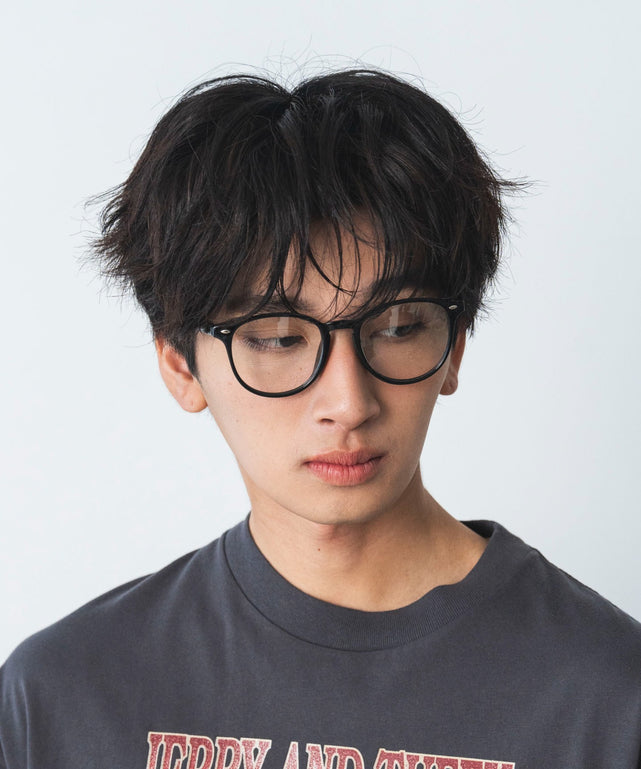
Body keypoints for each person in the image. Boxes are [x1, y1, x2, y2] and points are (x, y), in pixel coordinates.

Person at [1, 69, 639, 769]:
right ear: (180, 365)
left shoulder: (608, 699)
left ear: (454, 347)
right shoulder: (64, 697)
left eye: (398, 327)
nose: (349, 402)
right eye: (279, 338)